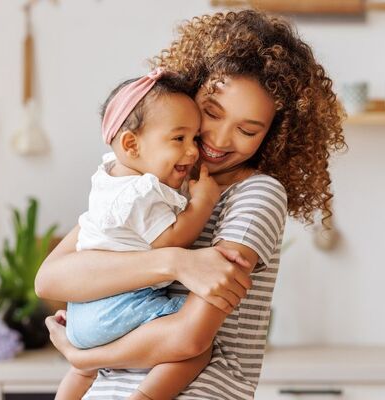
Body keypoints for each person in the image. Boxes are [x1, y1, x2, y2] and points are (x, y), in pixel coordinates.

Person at [36, 9, 345, 399]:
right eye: (211, 113)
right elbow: (51, 278)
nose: (219, 138)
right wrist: (176, 262)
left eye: (247, 130)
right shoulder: (156, 181)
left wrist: (84, 358)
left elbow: (188, 338)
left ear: (274, 135)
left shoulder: (257, 194)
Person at [57, 69, 226, 399]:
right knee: (195, 340)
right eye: (179, 139)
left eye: (195, 139)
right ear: (131, 144)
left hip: (82, 312)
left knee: (83, 369)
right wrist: (203, 202)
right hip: (117, 307)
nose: (193, 151)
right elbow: (172, 240)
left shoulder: (109, 177)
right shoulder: (141, 193)